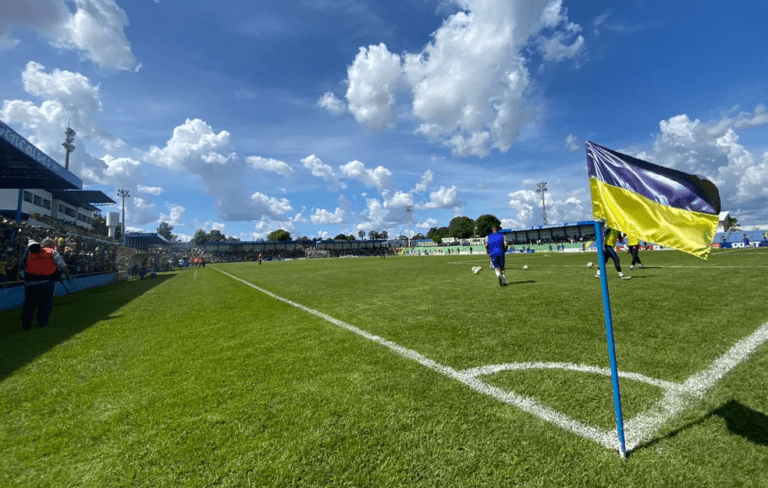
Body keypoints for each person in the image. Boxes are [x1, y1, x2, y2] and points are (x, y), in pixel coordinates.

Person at [19, 238, 70, 329]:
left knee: (29, 303)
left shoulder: (28, 252)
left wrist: (22, 274)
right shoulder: (52, 252)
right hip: (46, 282)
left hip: (29, 283)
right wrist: (67, 275)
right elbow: (62, 265)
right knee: (45, 303)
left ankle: (26, 322)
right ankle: (42, 323)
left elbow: (20, 264)